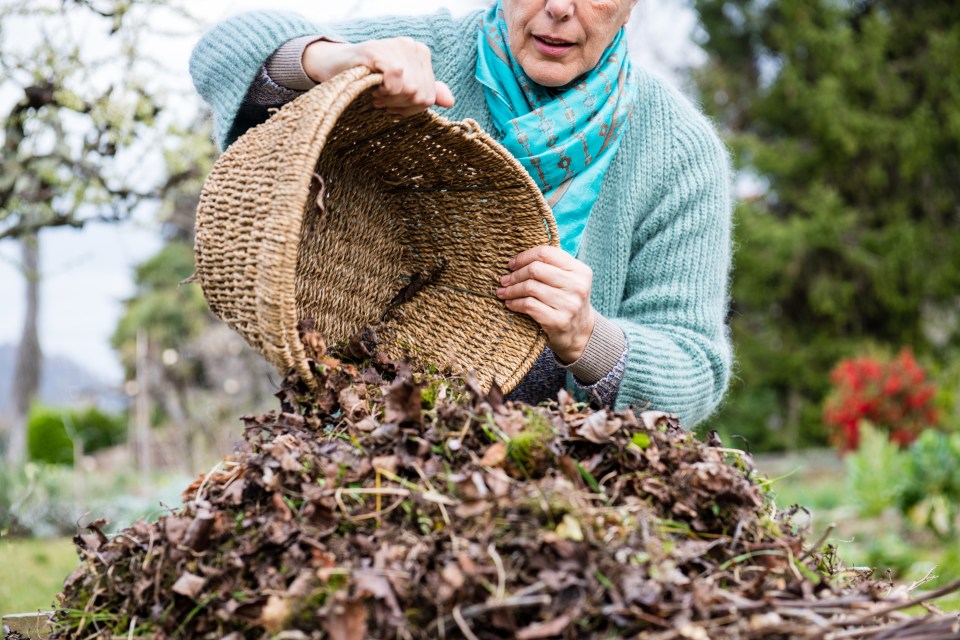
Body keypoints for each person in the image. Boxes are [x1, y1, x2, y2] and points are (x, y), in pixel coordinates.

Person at [190, 0, 733, 428]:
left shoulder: (678, 149)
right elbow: (222, 51)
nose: (560, 8)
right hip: (367, 441)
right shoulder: (428, 53)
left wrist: (588, 337)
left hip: (565, 488)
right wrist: (329, 59)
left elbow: (693, 370)